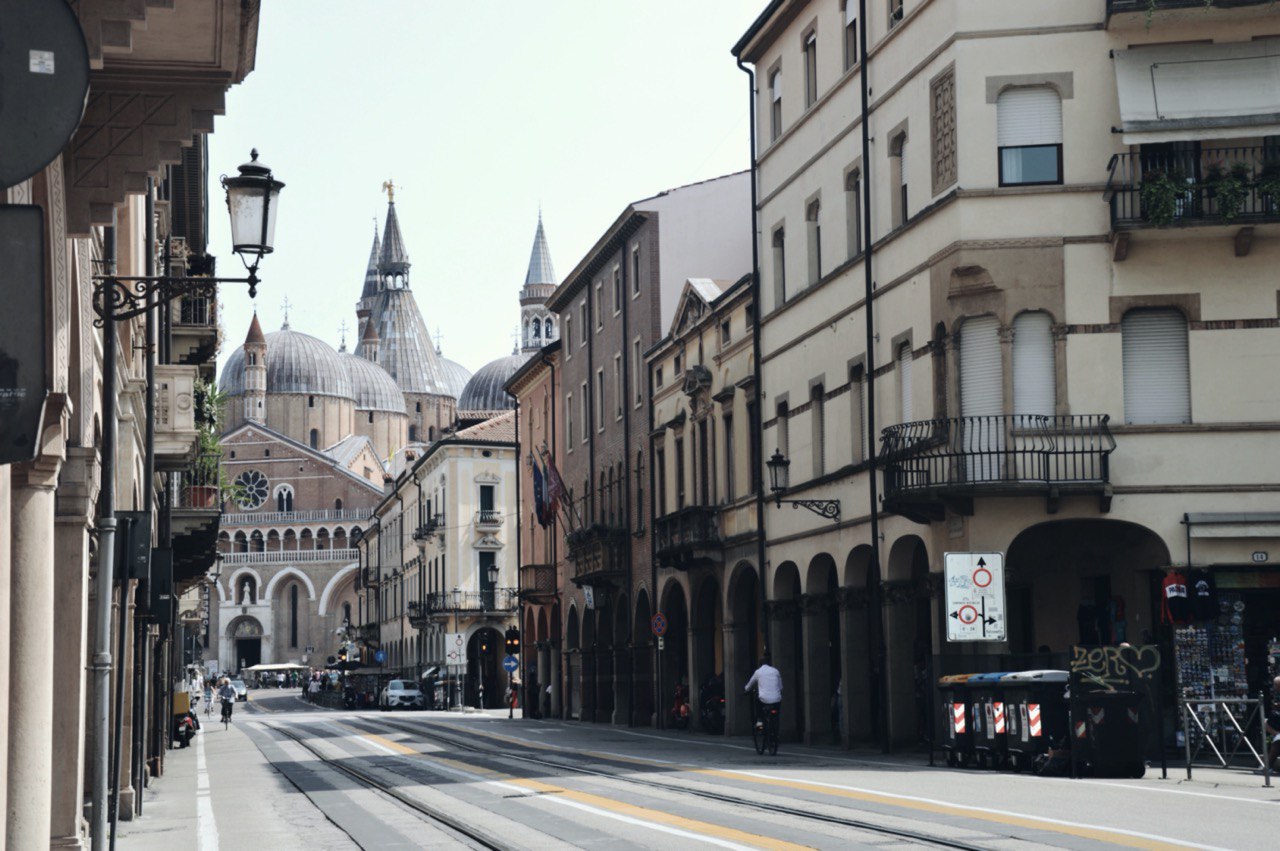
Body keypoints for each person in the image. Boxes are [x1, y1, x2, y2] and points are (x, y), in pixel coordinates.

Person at [744, 653, 783, 727]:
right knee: (776, 711)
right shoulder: (776, 671)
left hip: (764, 699)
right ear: (770, 663)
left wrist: (746, 689)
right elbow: (781, 687)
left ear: (760, 664)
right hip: (776, 699)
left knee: (757, 699)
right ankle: (776, 722)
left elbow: (750, 684)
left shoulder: (758, 672)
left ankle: (759, 719)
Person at [1266, 676, 1280, 772]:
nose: (1274, 687)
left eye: (1275, 685)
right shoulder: (1277, 694)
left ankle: (1268, 767)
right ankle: (1277, 735)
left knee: (1277, 742)